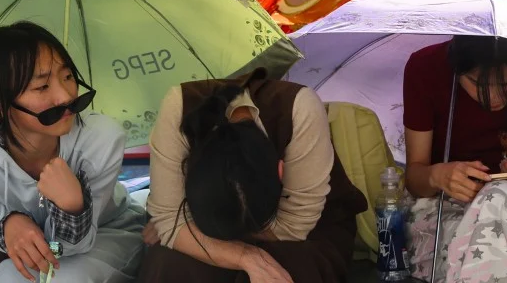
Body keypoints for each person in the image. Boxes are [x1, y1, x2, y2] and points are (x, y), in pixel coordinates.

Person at [0, 22, 145, 283]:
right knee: (6, 276)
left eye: (67, 76)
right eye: (42, 86)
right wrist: (8, 224)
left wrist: (72, 207)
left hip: (108, 232)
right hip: (41, 246)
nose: (65, 97)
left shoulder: (101, 140)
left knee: (65, 279)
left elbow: (71, 247)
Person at [138, 69, 367, 283]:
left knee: (288, 270)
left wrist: (182, 231)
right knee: (168, 263)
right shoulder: (178, 107)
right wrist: (244, 256)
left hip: (304, 229)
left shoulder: (299, 108)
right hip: (206, 222)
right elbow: (169, 219)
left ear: (281, 171)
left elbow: (294, 226)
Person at [401, 35, 507, 283]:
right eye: (476, 82)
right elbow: (414, 177)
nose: (493, 97)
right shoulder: (426, 67)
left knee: (497, 200)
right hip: (442, 204)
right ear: (457, 68)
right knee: (476, 248)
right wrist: (437, 176)